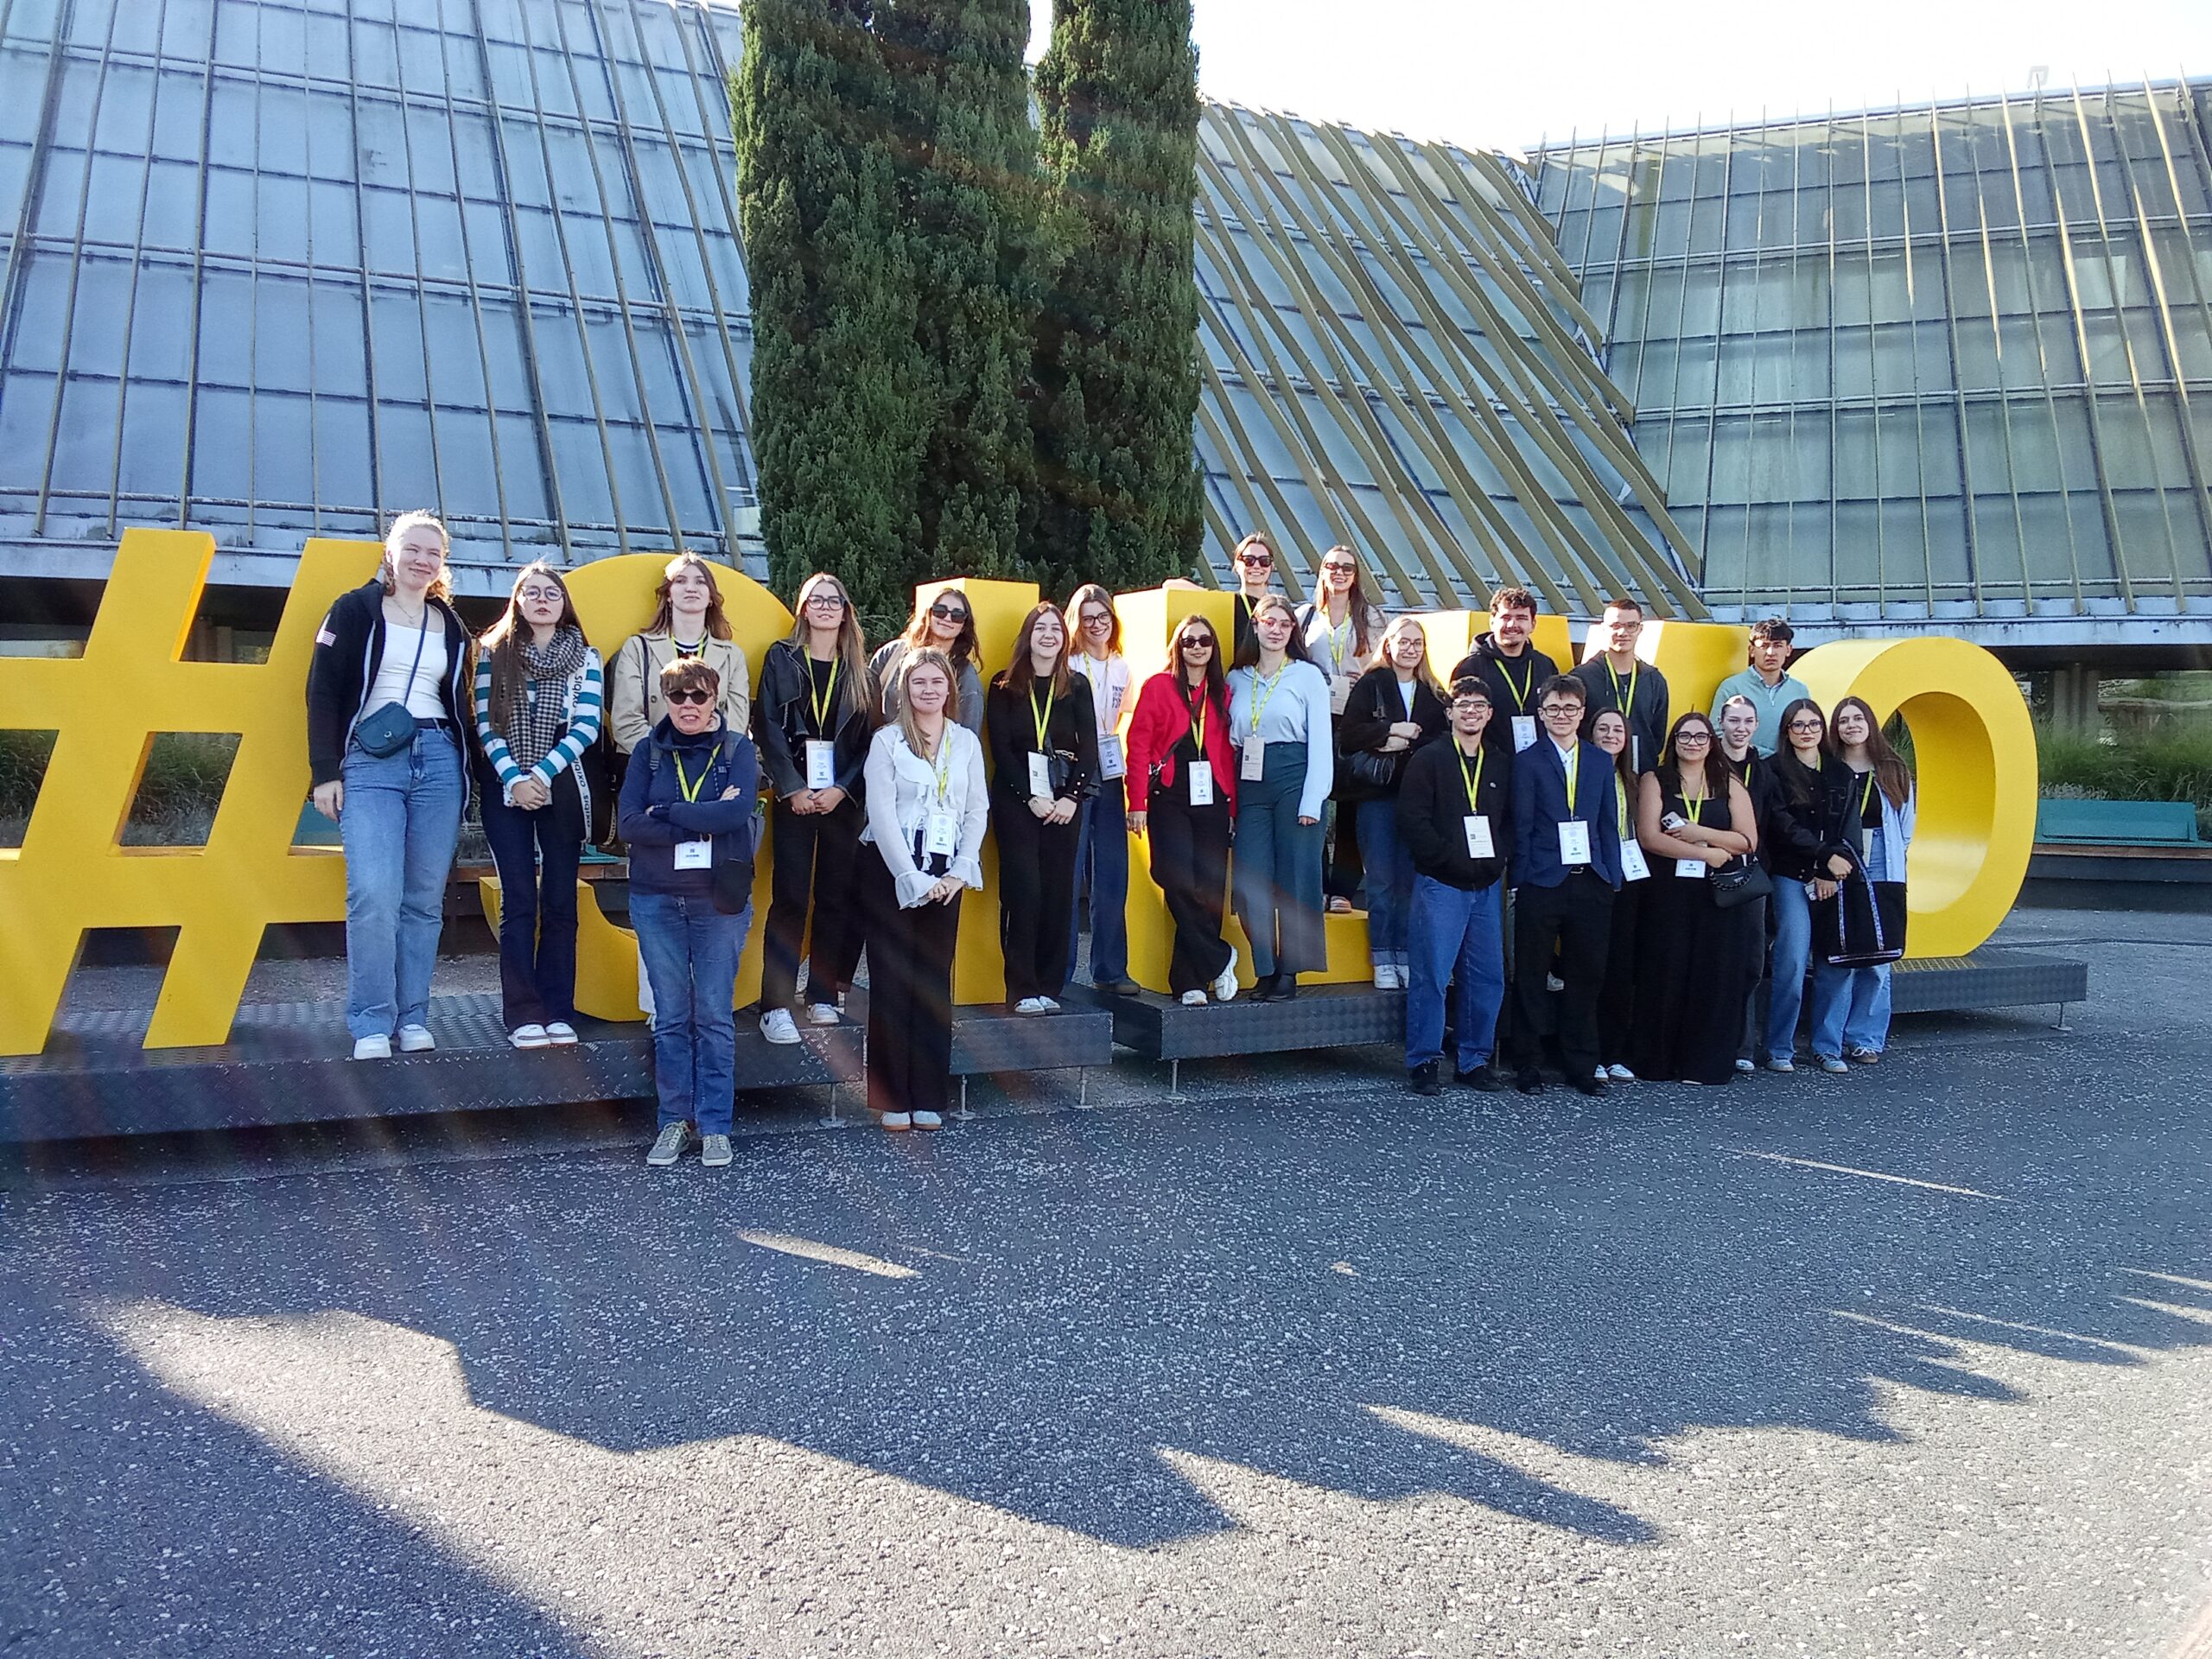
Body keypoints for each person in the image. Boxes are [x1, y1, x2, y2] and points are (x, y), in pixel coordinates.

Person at [306, 510, 474, 1061]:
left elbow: (460, 700)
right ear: (391, 553)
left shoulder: (450, 623)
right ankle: (371, 1021)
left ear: (443, 563)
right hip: (372, 760)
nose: (423, 560)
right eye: (413, 549)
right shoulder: (354, 609)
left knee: (423, 900)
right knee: (374, 894)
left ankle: (414, 1017)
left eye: (434, 553)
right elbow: (322, 691)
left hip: (439, 758)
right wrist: (324, 772)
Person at [620, 658, 759, 1170]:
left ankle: (716, 1125)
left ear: (714, 700)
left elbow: (736, 813)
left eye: (699, 696)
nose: (688, 705)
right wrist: (702, 820)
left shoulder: (738, 750)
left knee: (715, 1016)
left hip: (717, 900)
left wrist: (667, 812)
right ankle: (674, 1121)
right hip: (655, 898)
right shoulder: (648, 752)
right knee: (672, 1017)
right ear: (665, 701)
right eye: (677, 696)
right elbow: (629, 824)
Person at [472, 562, 602, 1049]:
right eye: (532, 592)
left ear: (564, 603)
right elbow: (486, 722)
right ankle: (522, 1014)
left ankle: (558, 1010)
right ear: (518, 601)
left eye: (551, 593)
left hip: (559, 786)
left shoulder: (586, 657)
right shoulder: (494, 653)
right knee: (519, 900)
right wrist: (515, 779)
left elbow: (587, 726)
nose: (542, 600)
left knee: (561, 901)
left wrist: (542, 776)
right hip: (505, 784)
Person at [859, 648, 989, 1130]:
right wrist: (909, 876)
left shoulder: (965, 742)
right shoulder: (887, 741)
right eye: (919, 683)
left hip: (947, 870)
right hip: (892, 868)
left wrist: (959, 871)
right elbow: (881, 813)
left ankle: (930, 1094)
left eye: (937, 682)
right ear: (904, 690)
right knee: (892, 982)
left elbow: (976, 809)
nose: (929, 690)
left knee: (933, 983)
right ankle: (893, 1097)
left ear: (950, 689)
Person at [753, 573, 874, 1043]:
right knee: (790, 899)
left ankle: (822, 994)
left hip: (842, 801)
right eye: (816, 600)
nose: (825, 607)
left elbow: (869, 743)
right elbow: (767, 724)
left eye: (834, 600)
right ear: (803, 609)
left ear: (845, 611)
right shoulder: (781, 658)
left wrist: (843, 788)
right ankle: (775, 1005)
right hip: (796, 798)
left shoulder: (860, 670)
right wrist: (792, 788)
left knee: (835, 898)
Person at [1630, 712, 1760, 1086]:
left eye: (1700, 736)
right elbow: (1649, 837)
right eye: (1684, 736)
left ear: (1711, 742)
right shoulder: (1655, 779)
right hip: (1667, 893)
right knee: (1665, 972)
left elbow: (1747, 840)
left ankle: (1704, 1065)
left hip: (1717, 895)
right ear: (1673, 741)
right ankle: (1657, 1062)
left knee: (1713, 975)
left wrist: (1697, 832)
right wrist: (1705, 852)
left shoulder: (1728, 781)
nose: (1692, 743)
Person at [1396, 679, 1512, 1096]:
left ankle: (1474, 1060)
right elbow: (1412, 820)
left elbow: (1509, 820)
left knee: (1487, 977)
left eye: (1480, 705)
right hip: (1441, 883)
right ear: (1450, 712)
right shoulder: (1428, 759)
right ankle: (1424, 1061)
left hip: (1486, 886)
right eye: (1463, 704)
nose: (1471, 711)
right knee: (1431, 975)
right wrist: (1448, 858)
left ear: (1490, 714)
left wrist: (1498, 860)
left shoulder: (1499, 762)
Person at [1506, 675, 1621, 1095]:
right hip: (1542, 879)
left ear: (1582, 713)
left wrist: (1612, 876)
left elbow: (1608, 822)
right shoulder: (1528, 760)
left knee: (1586, 975)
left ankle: (1581, 1065)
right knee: (1532, 974)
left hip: (1591, 880)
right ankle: (1528, 1063)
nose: (1562, 715)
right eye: (1553, 708)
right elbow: (1521, 824)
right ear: (1541, 714)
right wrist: (1520, 879)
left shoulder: (1599, 761)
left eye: (1570, 708)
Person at [986, 602, 1099, 1014]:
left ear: (1064, 638)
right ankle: (1022, 988)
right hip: (1018, 802)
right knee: (1024, 892)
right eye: (1040, 628)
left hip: (1065, 803)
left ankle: (1049, 986)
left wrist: (1071, 798)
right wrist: (1030, 797)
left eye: (1055, 629)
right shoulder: (1003, 684)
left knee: (1058, 894)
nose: (1048, 635)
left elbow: (1089, 748)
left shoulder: (1078, 686)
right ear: (1027, 636)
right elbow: (1001, 749)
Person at [1124, 615, 1243, 1006]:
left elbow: (1228, 752)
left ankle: (1190, 982)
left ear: (1214, 647)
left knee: (1208, 888)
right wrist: (1136, 801)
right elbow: (1138, 745)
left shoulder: (1223, 691)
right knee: (1172, 874)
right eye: (1189, 640)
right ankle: (1219, 956)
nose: (1197, 647)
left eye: (1205, 640)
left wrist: (1233, 806)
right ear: (1178, 646)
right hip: (1169, 796)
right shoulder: (1159, 686)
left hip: (1214, 798)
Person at [1228, 594, 1334, 1001]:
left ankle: (1290, 970)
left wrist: (1313, 800)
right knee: (1250, 879)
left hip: (1295, 777)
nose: (1276, 630)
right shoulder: (1237, 678)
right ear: (1255, 625)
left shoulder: (1307, 676)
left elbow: (1322, 743)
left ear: (1293, 631)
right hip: (1250, 780)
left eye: (1285, 624)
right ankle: (1266, 967)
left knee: (1296, 878)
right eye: (1268, 622)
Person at [1338, 615, 1447, 988]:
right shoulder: (1372, 684)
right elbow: (1349, 735)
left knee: (1410, 883)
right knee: (1381, 882)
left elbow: (1442, 739)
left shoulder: (1433, 690)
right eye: (1404, 641)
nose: (1410, 649)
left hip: (1419, 800)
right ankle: (1383, 956)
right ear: (1388, 644)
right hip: (1377, 798)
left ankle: (1405, 953)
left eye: (1417, 643)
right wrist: (1390, 731)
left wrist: (1406, 742)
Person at [1813, 695, 1916, 1071]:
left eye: (1857, 718)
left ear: (1870, 723)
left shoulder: (1892, 769)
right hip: (1838, 860)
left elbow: (1906, 827)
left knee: (1877, 958)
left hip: (1882, 862)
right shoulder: (1827, 767)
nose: (1851, 726)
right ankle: (1827, 1043)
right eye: (1843, 720)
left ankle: (1865, 1040)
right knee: (1836, 952)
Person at [1762, 698, 1849, 1073]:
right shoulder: (1772, 770)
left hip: (1834, 876)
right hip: (1790, 874)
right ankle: (1779, 1047)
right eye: (1798, 725)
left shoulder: (1840, 771)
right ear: (1787, 731)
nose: (1806, 731)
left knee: (1834, 963)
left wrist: (1830, 871)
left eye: (1813, 724)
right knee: (1792, 961)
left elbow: (1848, 828)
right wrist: (1820, 859)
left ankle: (1828, 1047)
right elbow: (1781, 825)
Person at [1297, 545, 1385, 915]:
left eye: (1347, 567)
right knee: (1313, 801)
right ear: (1321, 571)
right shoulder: (1304, 616)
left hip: (1355, 717)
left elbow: (1383, 663)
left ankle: (1343, 889)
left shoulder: (1372, 617)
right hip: (1315, 718)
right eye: (1332, 566)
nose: (1339, 572)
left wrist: (1362, 676)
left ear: (1356, 574)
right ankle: (1316, 884)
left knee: (1349, 806)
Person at [607, 550, 749, 754]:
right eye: (680, 581)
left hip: (710, 762)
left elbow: (736, 724)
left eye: (700, 582)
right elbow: (626, 720)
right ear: (668, 595)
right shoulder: (637, 648)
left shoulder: (732, 656)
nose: (691, 588)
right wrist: (668, 756)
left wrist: (699, 758)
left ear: (711, 597)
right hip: (651, 760)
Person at [1065, 583, 1136, 996]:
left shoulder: (1122, 667)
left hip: (1110, 771)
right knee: (1069, 869)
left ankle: (1110, 968)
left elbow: (1121, 715)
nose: (1096, 625)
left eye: (1102, 616)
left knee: (1111, 872)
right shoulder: (1068, 663)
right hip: (1073, 770)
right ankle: (1061, 970)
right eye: (1087, 618)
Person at [1586, 706, 1649, 1083]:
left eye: (1618, 731)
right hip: (1593, 875)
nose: (1610, 735)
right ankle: (1589, 1052)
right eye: (1603, 729)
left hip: (1630, 877)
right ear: (1591, 734)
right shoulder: (1582, 773)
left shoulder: (1634, 781)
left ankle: (1613, 1052)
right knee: (1592, 966)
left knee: (1621, 968)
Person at [1717, 694, 1775, 1074]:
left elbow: (1775, 822)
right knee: (1711, 958)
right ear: (1721, 723)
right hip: (1708, 869)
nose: (1740, 728)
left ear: (1756, 726)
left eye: (1747, 721)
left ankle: (1743, 1045)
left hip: (1752, 875)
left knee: (1751, 962)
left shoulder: (1765, 770)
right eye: (1734, 720)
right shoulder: (1706, 763)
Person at [1448, 585, 1560, 756]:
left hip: (1538, 762)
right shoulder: (1470, 667)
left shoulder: (1545, 665)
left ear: (1533, 624)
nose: (1512, 625)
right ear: (1492, 621)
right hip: (1489, 763)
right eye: (1506, 617)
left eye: (1521, 618)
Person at [1570, 596, 1669, 775]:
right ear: (1603, 629)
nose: (1623, 632)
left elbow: (1657, 737)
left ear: (1640, 629)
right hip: (1592, 773)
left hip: (1641, 775)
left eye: (1631, 626)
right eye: (1615, 626)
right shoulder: (1581, 678)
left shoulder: (1654, 680)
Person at [870, 586, 984, 730]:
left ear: (964, 626)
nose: (947, 618)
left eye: (957, 615)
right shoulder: (892, 653)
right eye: (940, 611)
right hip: (883, 742)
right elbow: (863, 705)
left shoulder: (965, 675)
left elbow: (968, 734)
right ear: (928, 614)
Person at [1710, 617, 1810, 753]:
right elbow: (1717, 734)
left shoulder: (1799, 690)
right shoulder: (1732, 688)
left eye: (1777, 645)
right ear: (1751, 650)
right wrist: (1764, 756)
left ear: (1788, 650)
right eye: (1764, 646)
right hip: (1744, 763)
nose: (1771, 652)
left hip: (1789, 764)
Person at [1228, 532, 1276, 653]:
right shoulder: (1228, 604)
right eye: (1249, 560)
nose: (1256, 566)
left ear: (1271, 566)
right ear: (1237, 564)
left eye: (1264, 561)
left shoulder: (1279, 609)